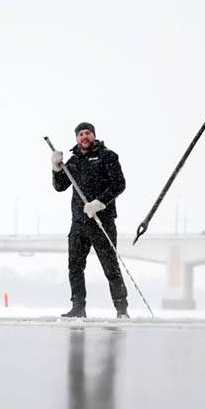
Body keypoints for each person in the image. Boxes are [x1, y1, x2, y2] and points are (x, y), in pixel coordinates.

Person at [51, 122, 129, 318]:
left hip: (102, 221)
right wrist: (56, 167)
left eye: (88, 133)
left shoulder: (107, 156)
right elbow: (60, 186)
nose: (84, 137)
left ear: (94, 135)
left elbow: (119, 184)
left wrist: (100, 202)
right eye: (80, 134)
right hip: (79, 223)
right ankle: (78, 308)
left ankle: (121, 310)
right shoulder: (74, 161)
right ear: (76, 138)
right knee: (75, 267)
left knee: (111, 267)